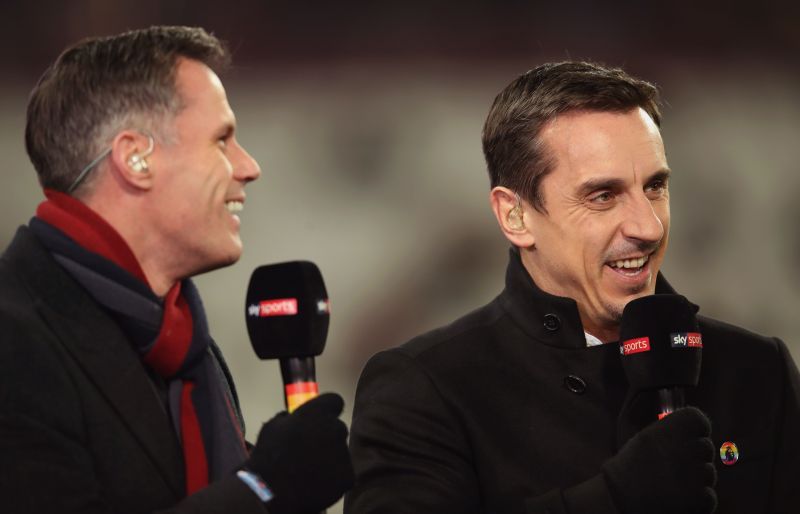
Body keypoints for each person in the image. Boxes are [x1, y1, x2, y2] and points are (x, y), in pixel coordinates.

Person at [345, 62, 800, 514]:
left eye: (655, 186)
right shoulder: (424, 388)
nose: (647, 225)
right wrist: (614, 501)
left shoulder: (758, 370)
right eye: (603, 195)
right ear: (515, 216)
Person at [0, 26, 353, 514]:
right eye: (222, 140)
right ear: (136, 158)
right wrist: (262, 490)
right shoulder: (14, 339)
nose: (249, 166)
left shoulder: (178, 337)